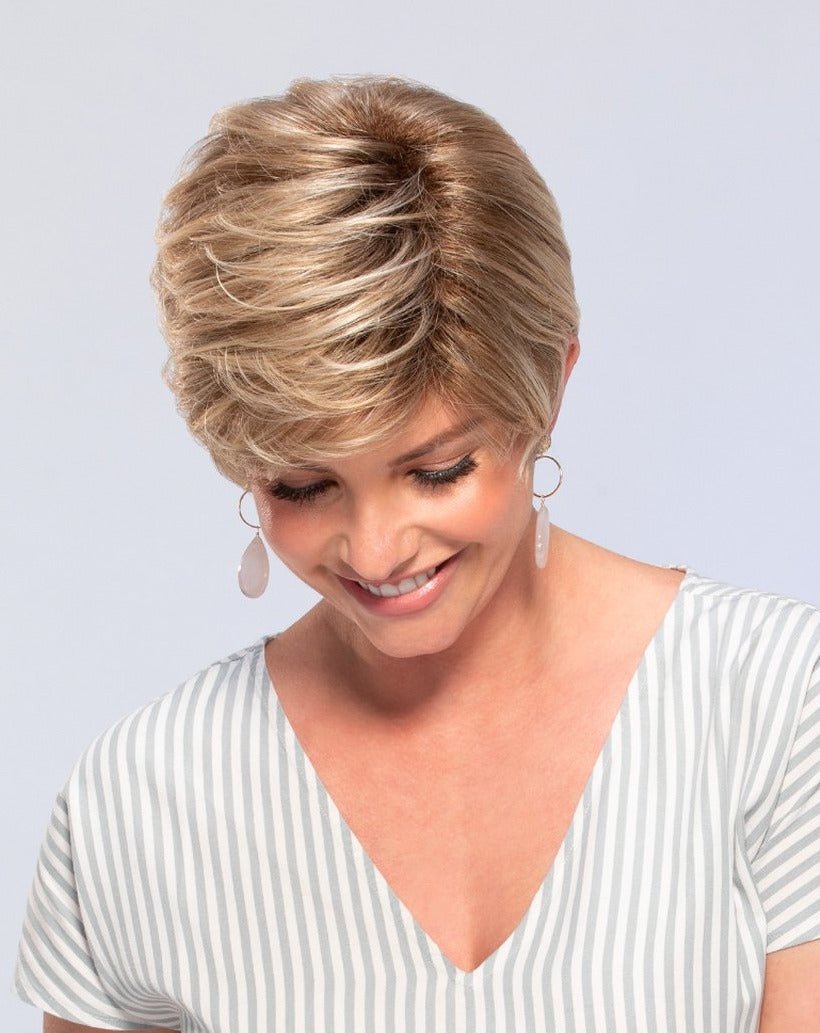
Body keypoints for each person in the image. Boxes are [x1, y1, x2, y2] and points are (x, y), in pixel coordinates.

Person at [11, 74, 820, 1033]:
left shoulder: (776, 702)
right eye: (302, 486)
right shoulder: (141, 794)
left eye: (437, 470)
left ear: (547, 389)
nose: (377, 548)